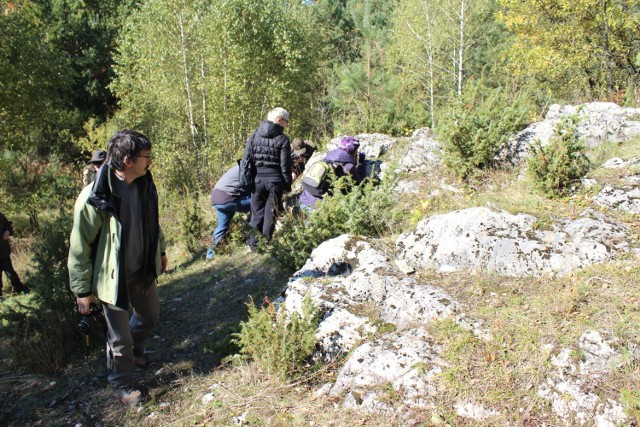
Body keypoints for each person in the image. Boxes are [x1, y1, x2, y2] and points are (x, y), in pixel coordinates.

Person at [68, 130, 168, 406]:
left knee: (150, 317)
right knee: (119, 339)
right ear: (126, 160)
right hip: (112, 279)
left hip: (143, 270)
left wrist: (160, 250)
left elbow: (152, 222)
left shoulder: (144, 184)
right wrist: (82, 290)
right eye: (146, 156)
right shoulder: (95, 196)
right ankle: (122, 385)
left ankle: (132, 350)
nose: (150, 162)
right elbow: (80, 246)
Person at [242, 107, 292, 249]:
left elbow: (247, 159)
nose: (287, 124)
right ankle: (266, 243)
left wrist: (247, 179)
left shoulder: (254, 135)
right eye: (286, 121)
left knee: (256, 213)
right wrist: (287, 185)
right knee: (270, 213)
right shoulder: (283, 139)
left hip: (257, 180)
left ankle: (253, 244)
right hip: (275, 181)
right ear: (279, 120)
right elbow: (285, 166)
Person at [299, 136, 366, 211]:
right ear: (354, 151)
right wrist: (361, 164)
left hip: (304, 198)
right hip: (317, 206)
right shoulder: (348, 166)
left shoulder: (329, 156)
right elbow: (360, 181)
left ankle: (301, 214)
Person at [206, 164, 251, 259]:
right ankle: (254, 237)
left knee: (222, 227)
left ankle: (209, 255)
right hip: (227, 199)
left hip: (216, 198)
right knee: (258, 202)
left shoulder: (238, 167)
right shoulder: (248, 168)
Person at [0, 211, 30, 301]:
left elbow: (8, 225)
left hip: (3, 252)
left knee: (10, 273)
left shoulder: (0, 215)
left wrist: (7, 231)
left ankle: (20, 288)